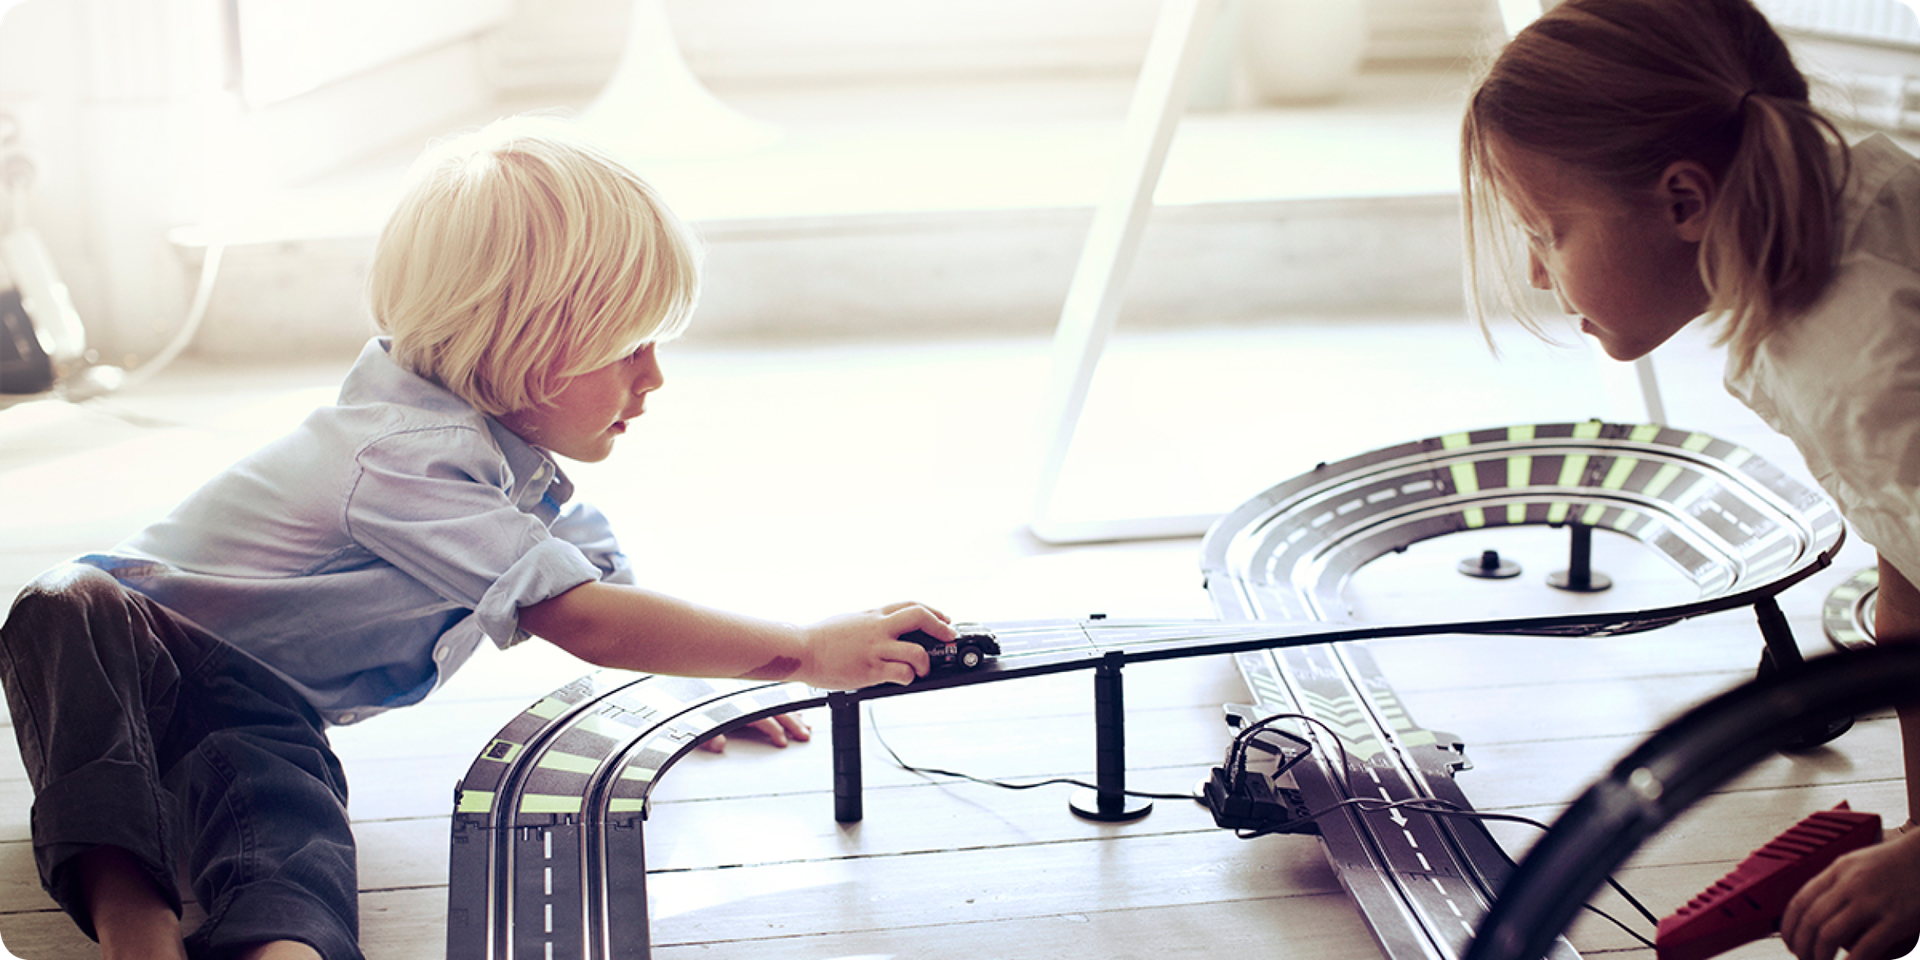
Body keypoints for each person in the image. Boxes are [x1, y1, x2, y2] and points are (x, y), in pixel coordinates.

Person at [0, 114, 955, 960]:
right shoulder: (402, 454)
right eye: (631, 346)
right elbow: (588, 622)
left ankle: (280, 946)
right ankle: (139, 931)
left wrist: (712, 683)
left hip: (260, 706)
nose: (654, 379)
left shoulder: (522, 479)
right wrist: (802, 653)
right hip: (122, 643)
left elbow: (626, 602)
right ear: (528, 342)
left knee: (296, 830)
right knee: (63, 601)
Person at [1460, 1, 1920, 957]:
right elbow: (1908, 594)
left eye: (1548, 232)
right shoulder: (1858, 205)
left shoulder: (1863, 365)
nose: (1541, 277)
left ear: (1682, 201)